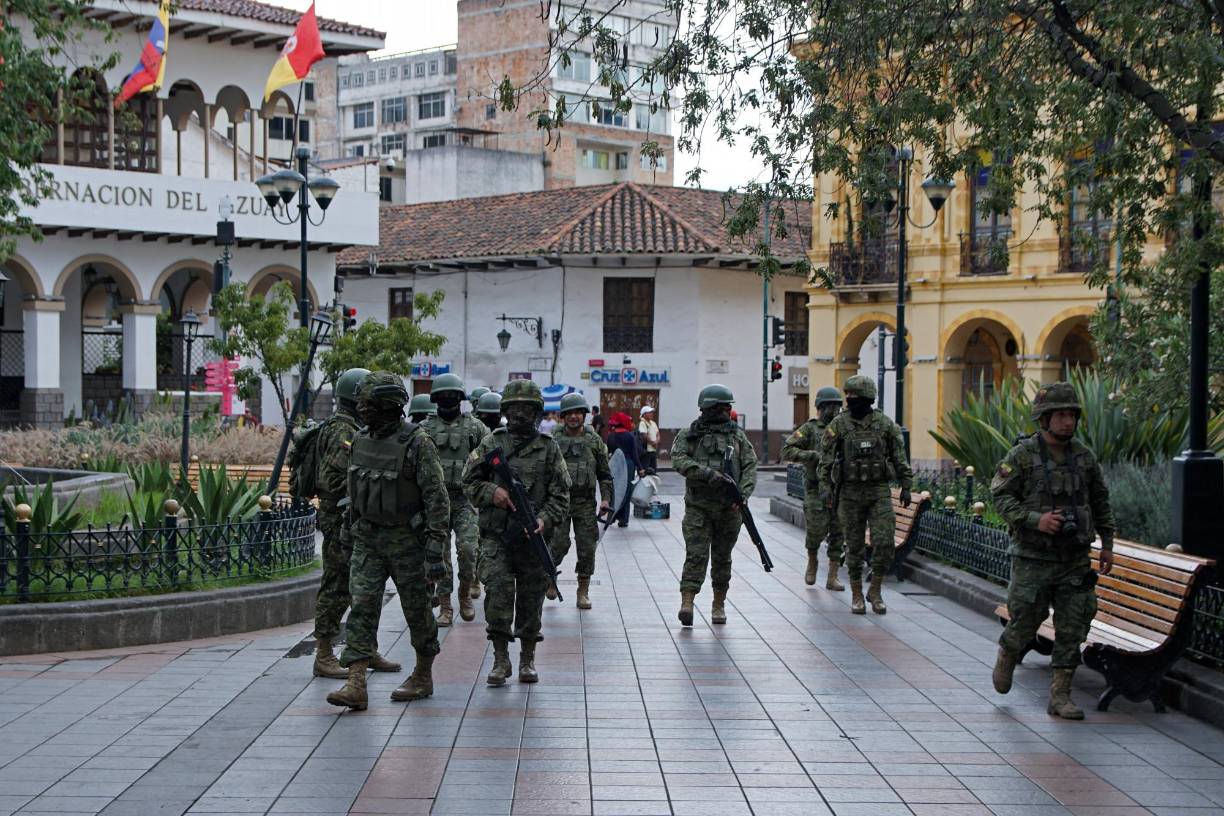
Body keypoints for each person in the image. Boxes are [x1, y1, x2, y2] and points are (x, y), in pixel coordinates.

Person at [990, 382, 1115, 720]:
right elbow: (1000, 496)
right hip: (1033, 558)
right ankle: (1008, 650)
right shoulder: (1022, 456)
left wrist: (1107, 544)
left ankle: (1060, 696)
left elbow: (1101, 501)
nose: (1067, 421)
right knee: (1026, 621)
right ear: (1044, 419)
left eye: (1072, 415)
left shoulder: (1084, 458)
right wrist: (1035, 519)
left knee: (1073, 625)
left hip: (1074, 558)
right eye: (1060, 415)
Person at [326, 372, 450, 710]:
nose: (363, 411)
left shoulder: (417, 443)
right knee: (362, 606)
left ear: (391, 406)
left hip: (407, 540)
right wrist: (346, 534)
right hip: (367, 538)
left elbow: (437, 499)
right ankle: (355, 683)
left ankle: (423, 675)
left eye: (371, 406)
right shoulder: (361, 440)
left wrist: (436, 549)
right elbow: (354, 493)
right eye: (362, 405)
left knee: (417, 611)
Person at [463, 379, 570, 686]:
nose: (520, 414)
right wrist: (492, 491)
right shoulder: (491, 444)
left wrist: (545, 519)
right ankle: (500, 659)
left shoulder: (549, 449)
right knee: (497, 592)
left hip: (531, 539)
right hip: (497, 536)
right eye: (514, 408)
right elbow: (467, 482)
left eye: (527, 409)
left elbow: (561, 494)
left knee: (531, 598)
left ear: (537, 412)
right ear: (505, 411)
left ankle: (527, 659)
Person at [308, 368, 402, 679]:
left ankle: (365, 648)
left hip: (353, 517)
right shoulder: (342, 431)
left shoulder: (352, 428)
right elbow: (336, 477)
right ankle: (323, 653)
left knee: (363, 588)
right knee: (337, 586)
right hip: (339, 518)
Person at [817, 375, 912, 616]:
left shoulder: (885, 424)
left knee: (883, 542)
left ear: (868, 398)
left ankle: (876, 589)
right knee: (855, 546)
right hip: (849, 492)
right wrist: (825, 487)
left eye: (855, 397)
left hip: (878, 491)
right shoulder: (838, 425)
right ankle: (857, 593)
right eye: (847, 397)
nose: (850, 401)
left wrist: (906, 484)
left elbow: (899, 456)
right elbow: (825, 459)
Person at [670, 384, 757, 627]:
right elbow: (678, 460)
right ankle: (687, 601)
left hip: (729, 509)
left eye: (727, 407)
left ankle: (719, 604)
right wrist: (707, 474)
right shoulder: (690, 434)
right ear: (707, 408)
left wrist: (744, 494)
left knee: (722, 558)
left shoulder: (737, 436)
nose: (725, 411)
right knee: (696, 555)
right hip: (699, 507)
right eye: (720, 407)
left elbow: (750, 466)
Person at [421, 373, 488, 627]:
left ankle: (465, 594)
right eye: (443, 396)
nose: (448, 400)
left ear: (461, 398)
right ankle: (446, 605)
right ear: (436, 399)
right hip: (436, 501)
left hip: (465, 500)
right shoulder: (425, 428)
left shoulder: (475, 427)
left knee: (469, 550)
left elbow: (490, 457)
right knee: (440, 555)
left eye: (453, 395)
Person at [549, 393, 613, 609]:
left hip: (585, 503)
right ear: (563, 416)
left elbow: (605, 473)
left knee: (586, 547)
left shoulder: (594, 440)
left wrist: (605, 499)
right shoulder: (553, 439)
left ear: (585, 415)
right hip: (558, 502)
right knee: (557, 543)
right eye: (570, 413)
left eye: (578, 413)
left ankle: (583, 590)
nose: (574, 417)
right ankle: (550, 576)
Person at [782, 387, 846, 591]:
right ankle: (812, 560)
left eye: (836, 405)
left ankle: (833, 575)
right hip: (814, 489)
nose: (833, 410)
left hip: (840, 489)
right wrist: (811, 456)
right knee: (815, 530)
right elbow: (787, 450)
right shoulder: (810, 429)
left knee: (838, 533)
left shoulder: (843, 428)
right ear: (820, 407)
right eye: (828, 405)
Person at [604, 412, 642, 527]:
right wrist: (640, 468)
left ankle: (612, 516)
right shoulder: (629, 436)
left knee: (615, 491)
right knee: (627, 490)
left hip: (615, 465)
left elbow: (609, 452)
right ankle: (623, 519)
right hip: (628, 465)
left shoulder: (611, 436)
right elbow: (634, 454)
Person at [637, 405, 660, 472]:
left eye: (652, 412)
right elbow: (644, 435)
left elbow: (658, 434)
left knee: (653, 470)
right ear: (644, 414)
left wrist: (656, 442)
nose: (651, 414)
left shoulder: (653, 423)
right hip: (646, 451)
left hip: (653, 450)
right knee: (646, 470)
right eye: (649, 412)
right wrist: (653, 442)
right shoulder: (642, 423)